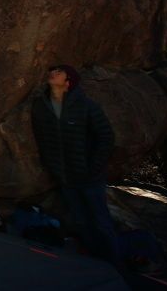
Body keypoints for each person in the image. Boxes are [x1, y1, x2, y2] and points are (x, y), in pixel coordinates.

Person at [30, 64, 121, 266]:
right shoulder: (41, 106)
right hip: (65, 177)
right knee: (80, 222)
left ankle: (115, 266)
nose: (52, 73)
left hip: (90, 178)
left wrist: (93, 167)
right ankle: (93, 262)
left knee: (101, 222)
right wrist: (52, 167)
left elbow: (106, 137)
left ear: (68, 82)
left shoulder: (86, 106)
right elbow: (42, 140)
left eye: (59, 72)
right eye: (52, 70)